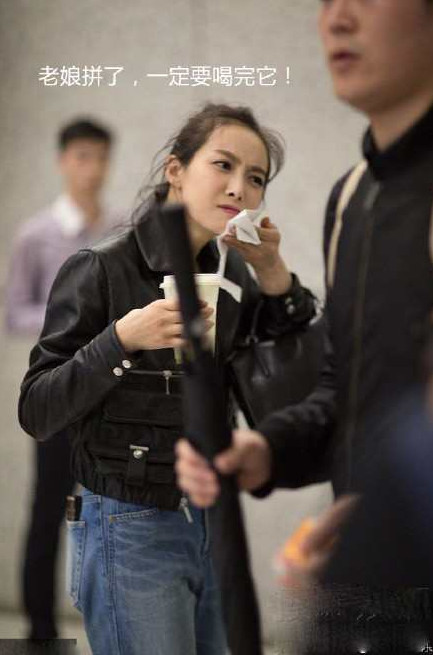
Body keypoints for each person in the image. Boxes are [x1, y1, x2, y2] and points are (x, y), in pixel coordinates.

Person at [18, 103, 316, 655]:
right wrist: (121, 339)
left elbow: (295, 387)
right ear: (176, 169)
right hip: (126, 522)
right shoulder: (102, 267)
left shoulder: (235, 274)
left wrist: (274, 273)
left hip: (213, 518)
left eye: (256, 178)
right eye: (223, 165)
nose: (240, 188)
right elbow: (36, 408)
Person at [176, 0, 433, 583]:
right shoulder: (352, 197)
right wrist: (268, 449)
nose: (337, 19)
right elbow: (344, 388)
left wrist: (383, 513)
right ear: (175, 170)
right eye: (327, 1)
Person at [5, 118, 117, 640]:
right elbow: (14, 312)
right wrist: (67, 323)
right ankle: (41, 630)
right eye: (81, 156)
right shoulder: (36, 234)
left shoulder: (120, 230)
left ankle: (108, 627)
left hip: (109, 396)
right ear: (63, 161)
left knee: (109, 513)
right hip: (55, 394)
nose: (92, 169)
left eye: (101, 157)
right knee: (47, 510)